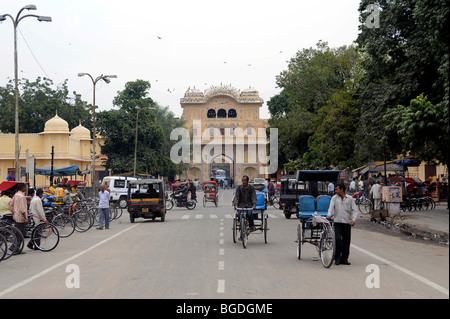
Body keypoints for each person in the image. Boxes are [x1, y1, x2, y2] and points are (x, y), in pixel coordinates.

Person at [327, 182, 358, 265]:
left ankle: (344, 258)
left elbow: (355, 210)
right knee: (338, 239)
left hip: (347, 222)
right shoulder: (334, 198)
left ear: (342, 189)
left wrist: (353, 219)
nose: (335, 191)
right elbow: (331, 207)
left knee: (346, 241)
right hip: (337, 222)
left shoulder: (350, 199)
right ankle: (337, 258)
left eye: (337, 189)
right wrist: (329, 214)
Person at [9, 183, 28, 247]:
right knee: (20, 234)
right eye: (25, 187)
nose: (25, 188)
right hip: (21, 218)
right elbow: (23, 209)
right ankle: (15, 248)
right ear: (22, 188)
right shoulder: (22, 196)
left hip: (16, 216)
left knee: (17, 233)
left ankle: (15, 248)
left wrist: (13, 212)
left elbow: (11, 204)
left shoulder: (15, 195)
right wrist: (25, 218)